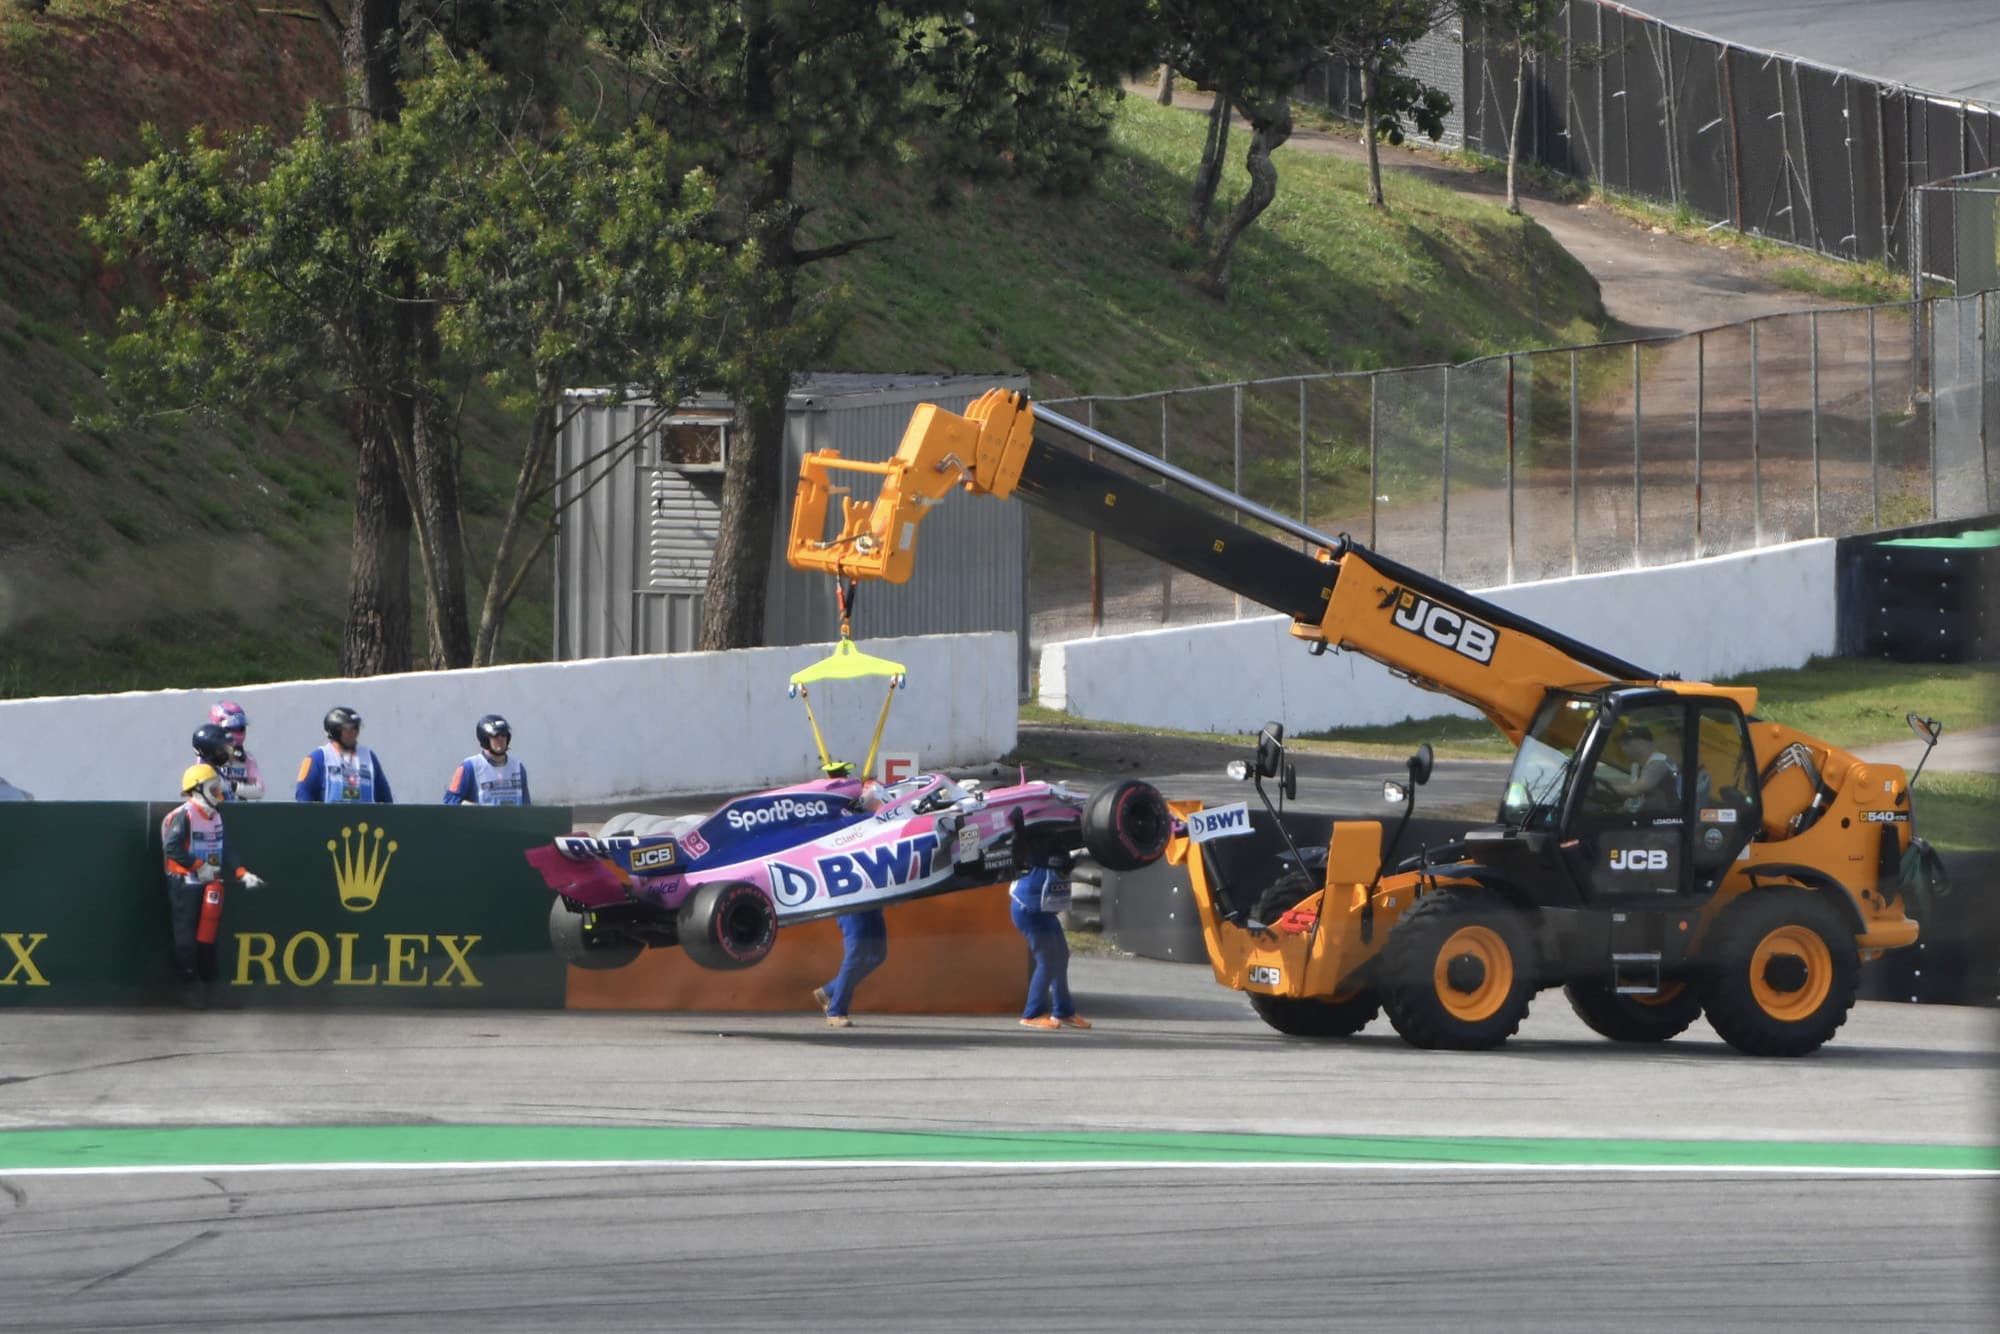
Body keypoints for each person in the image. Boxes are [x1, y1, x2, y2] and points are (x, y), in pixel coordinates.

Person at [161, 763, 266, 1008]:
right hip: (185, 885)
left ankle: (211, 987)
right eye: (213, 788)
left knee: (208, 937)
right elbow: (172, 848)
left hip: (212, 884)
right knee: (186, 938)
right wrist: (198, 866)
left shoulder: (216, 816)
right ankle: (188, 987)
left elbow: (225, 847)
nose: (219, 793)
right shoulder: (185, 816)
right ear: (198, 790)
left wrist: (242, 873)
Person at [1011, 849, 1089, 1030]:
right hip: (1029, 911)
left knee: (1061, 956)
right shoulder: (1040, 850)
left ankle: (1063, 1010)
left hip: (1045, 911)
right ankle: (1033, 1014)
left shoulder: (1058, 848)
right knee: (1048, 960)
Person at [295, 706, 394, 803]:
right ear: (335, 731)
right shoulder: (318, 758)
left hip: (365, 819)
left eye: (356, 728)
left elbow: (385, 796)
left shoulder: (369, 757)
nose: (354, 732)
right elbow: (303, 794)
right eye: (348, 729)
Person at [812, 909, 887, 1029]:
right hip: (851, 904)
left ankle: (827, 991)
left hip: (874, 904)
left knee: (877, 955)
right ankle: (836, 1012)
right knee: (855, 956)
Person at [443, 714, 531, 806]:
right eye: (495, 736)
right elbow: (450, 800)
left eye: (503, 735)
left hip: (512, 820)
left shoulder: (517, 767)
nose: (500, 739)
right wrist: (471, 807)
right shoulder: (468, 767)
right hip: (481, 820)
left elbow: (526, 805)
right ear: (485, 739)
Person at [1605, 724, 1679, 815]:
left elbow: (1635, 790)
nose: (1623, 749)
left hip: (1661, 820)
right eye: (1621, 745)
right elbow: (1636, 801)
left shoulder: (1659, 763)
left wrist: (1606, 790)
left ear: (1643, 742)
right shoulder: (1636, 765)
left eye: (1626, 743)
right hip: (1642, 817)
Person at [209, 700, 265, 801]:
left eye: (240, 728)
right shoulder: (207, 755)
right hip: (214, 812)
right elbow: (204, 786)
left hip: (239, 811)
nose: (238, 732)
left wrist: (233, 787)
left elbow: (259, 790)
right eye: (233, 728)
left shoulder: (247, 758)